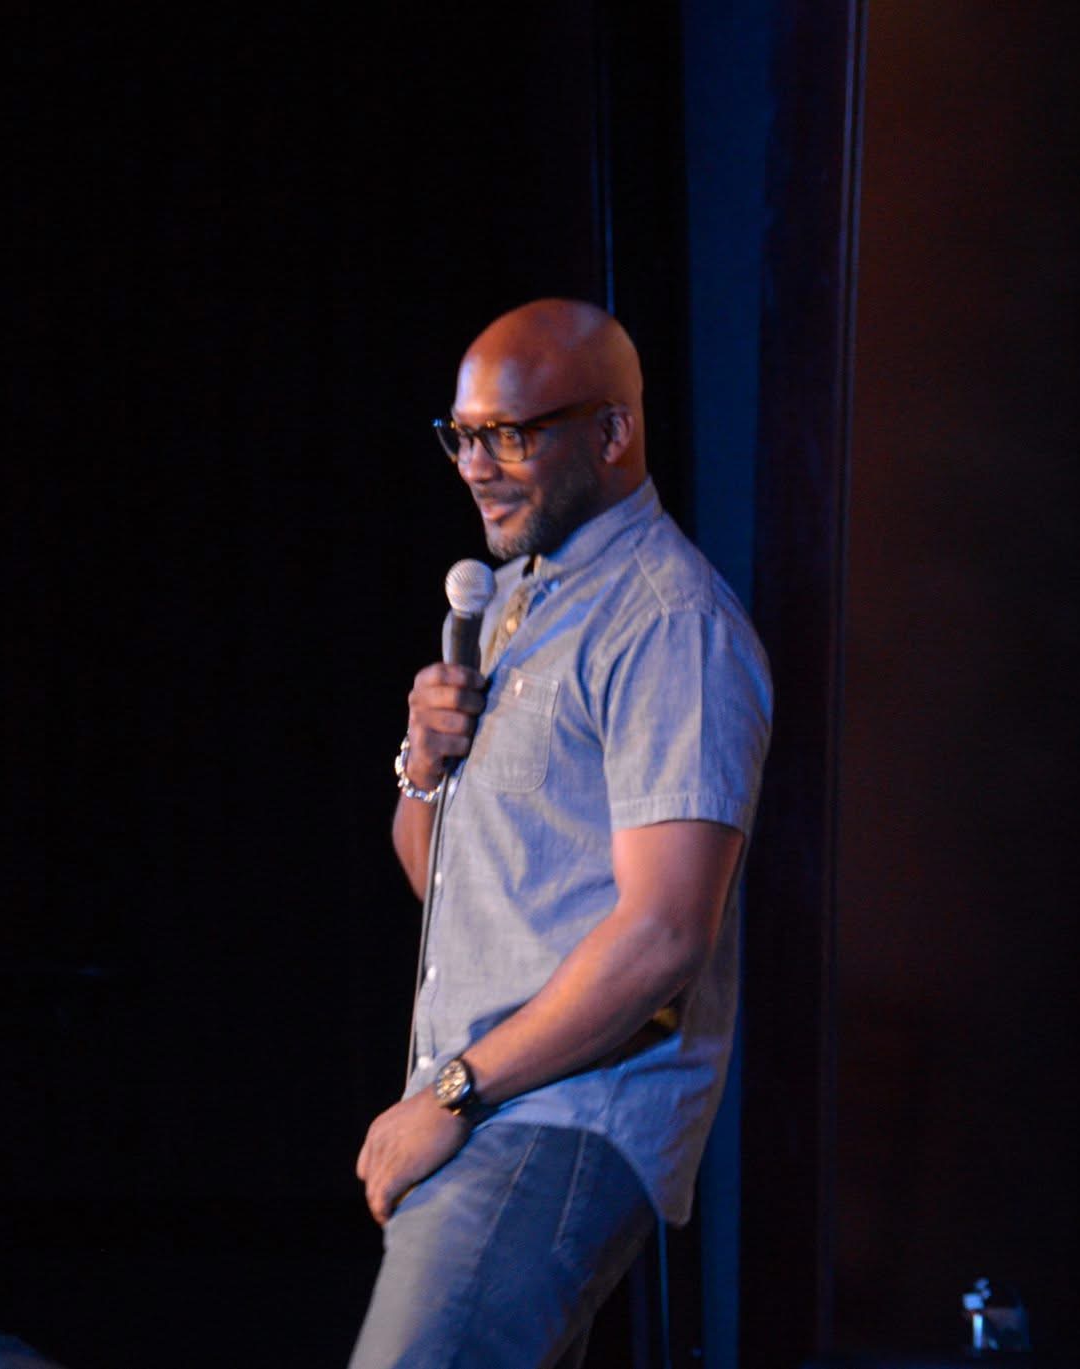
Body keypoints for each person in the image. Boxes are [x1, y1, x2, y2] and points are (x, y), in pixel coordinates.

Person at [352, 299, 772, 1367]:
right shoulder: (513, 604)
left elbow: (666, 931)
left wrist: (452, 1090)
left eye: (510, 433)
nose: (476, 466)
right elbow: (449, 887)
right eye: (462, 435)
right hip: (492, 1108)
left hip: (562, 1113)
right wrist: (420, 764)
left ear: (611, 432)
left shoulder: (667, 622)